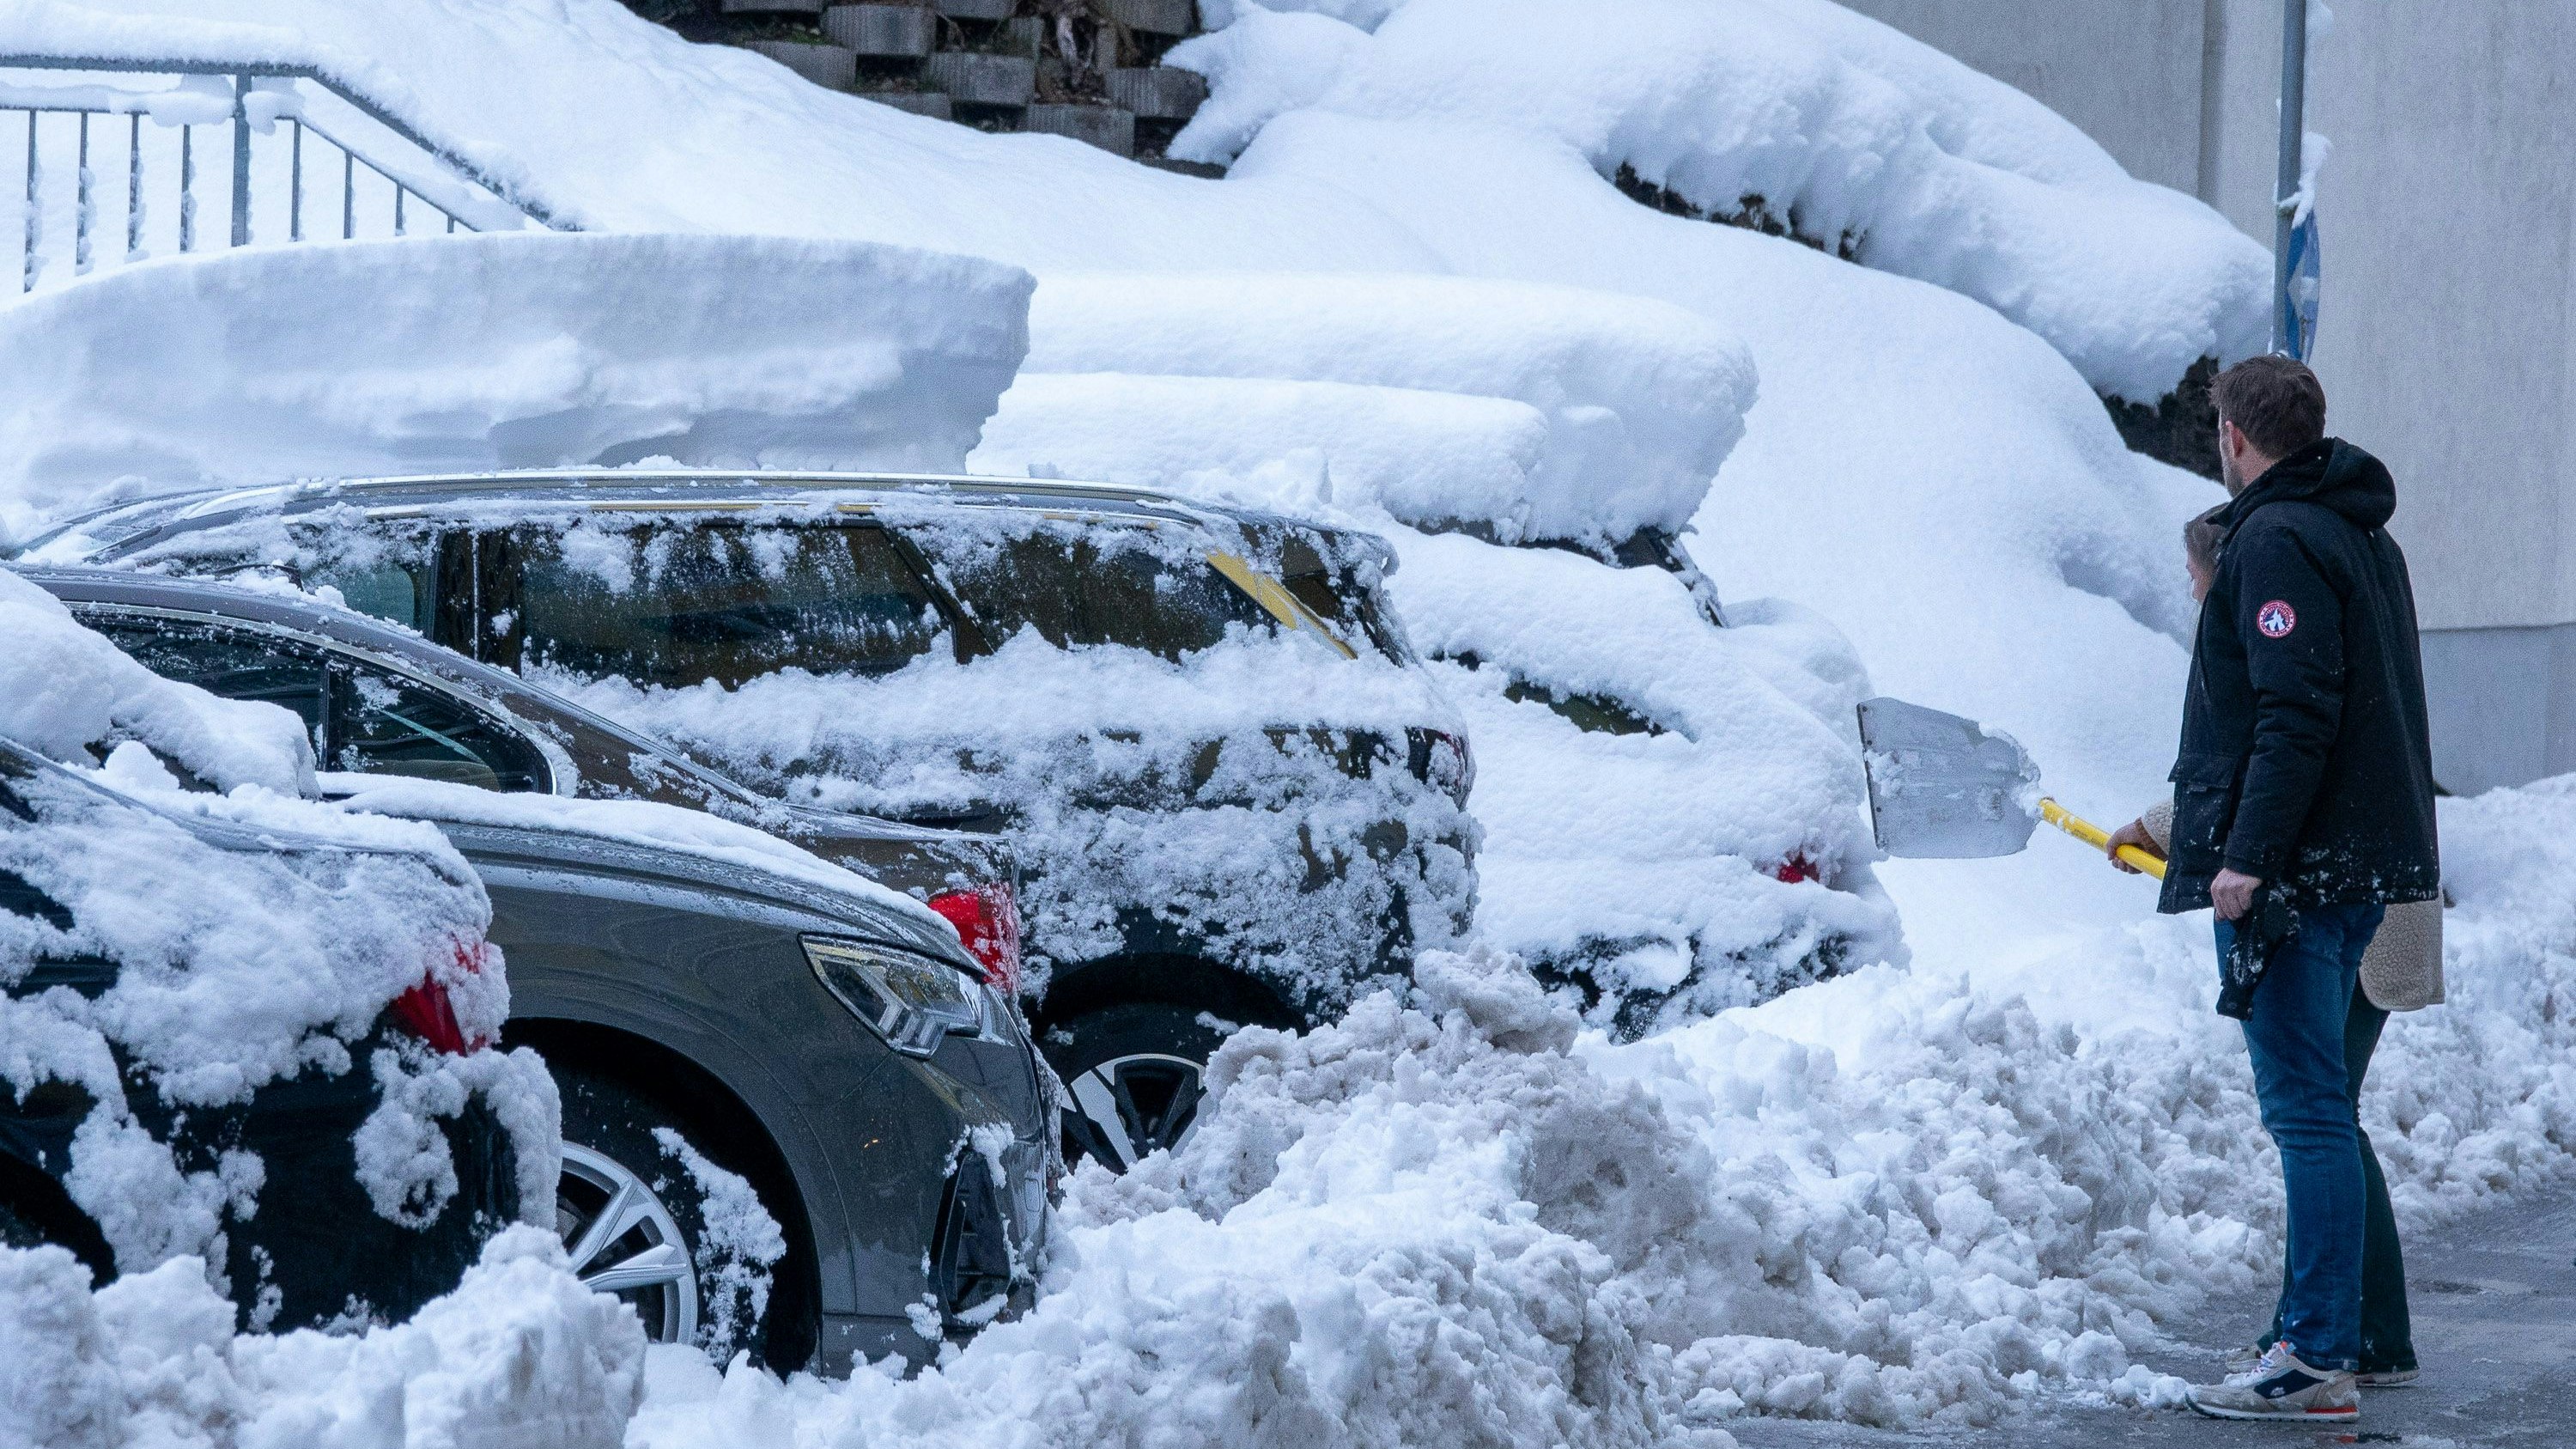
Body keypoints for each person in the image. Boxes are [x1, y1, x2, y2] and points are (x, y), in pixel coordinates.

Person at [2104, 356, 2441, 1422]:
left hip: (2302, 877)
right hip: (2356, 865)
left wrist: (2244, 859)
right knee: (2320, 1111)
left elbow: (2292, 718)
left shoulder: (2278, 540)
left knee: (2307, 1113)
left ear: (2234, 440)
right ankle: (2339, 1335)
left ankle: (2315, 1354)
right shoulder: (2357, 534)